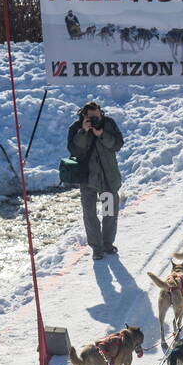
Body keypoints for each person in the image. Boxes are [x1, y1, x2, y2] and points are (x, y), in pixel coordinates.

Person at [66, 100, 124, 260]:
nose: (96, 120)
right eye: (92, 118)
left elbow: (117, 144)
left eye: (97, 117)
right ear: (84, 116)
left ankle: (107, 244)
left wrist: (101, 134)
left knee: (109, 212)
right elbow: (74, 150)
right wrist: (84, 132)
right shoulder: (76, 128)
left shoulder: (109, 124)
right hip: (87, 178)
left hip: (108, 177)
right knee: (90, 214)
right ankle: (96, 248)